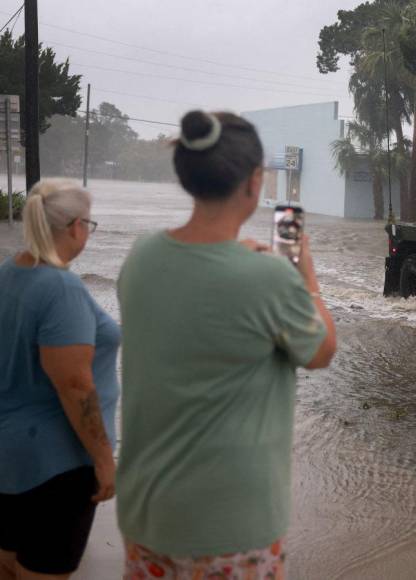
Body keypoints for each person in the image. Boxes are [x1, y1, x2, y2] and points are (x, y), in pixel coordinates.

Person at [116, 111, 336, 579]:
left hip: (147, 515)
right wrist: (304, 272)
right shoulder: (270, 277)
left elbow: (201, 301)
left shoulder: (141, 257)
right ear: (255, 183)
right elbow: (321, 352)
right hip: (232, 527)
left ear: (187, 175)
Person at [0, 180, 120, 579]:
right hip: (57, 464)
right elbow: (74, 385)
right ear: (74, 227)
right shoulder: (61, 288)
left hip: (10, 456)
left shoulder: (9, 271)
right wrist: (104, 461)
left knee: (9, 564)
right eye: (91, 223)